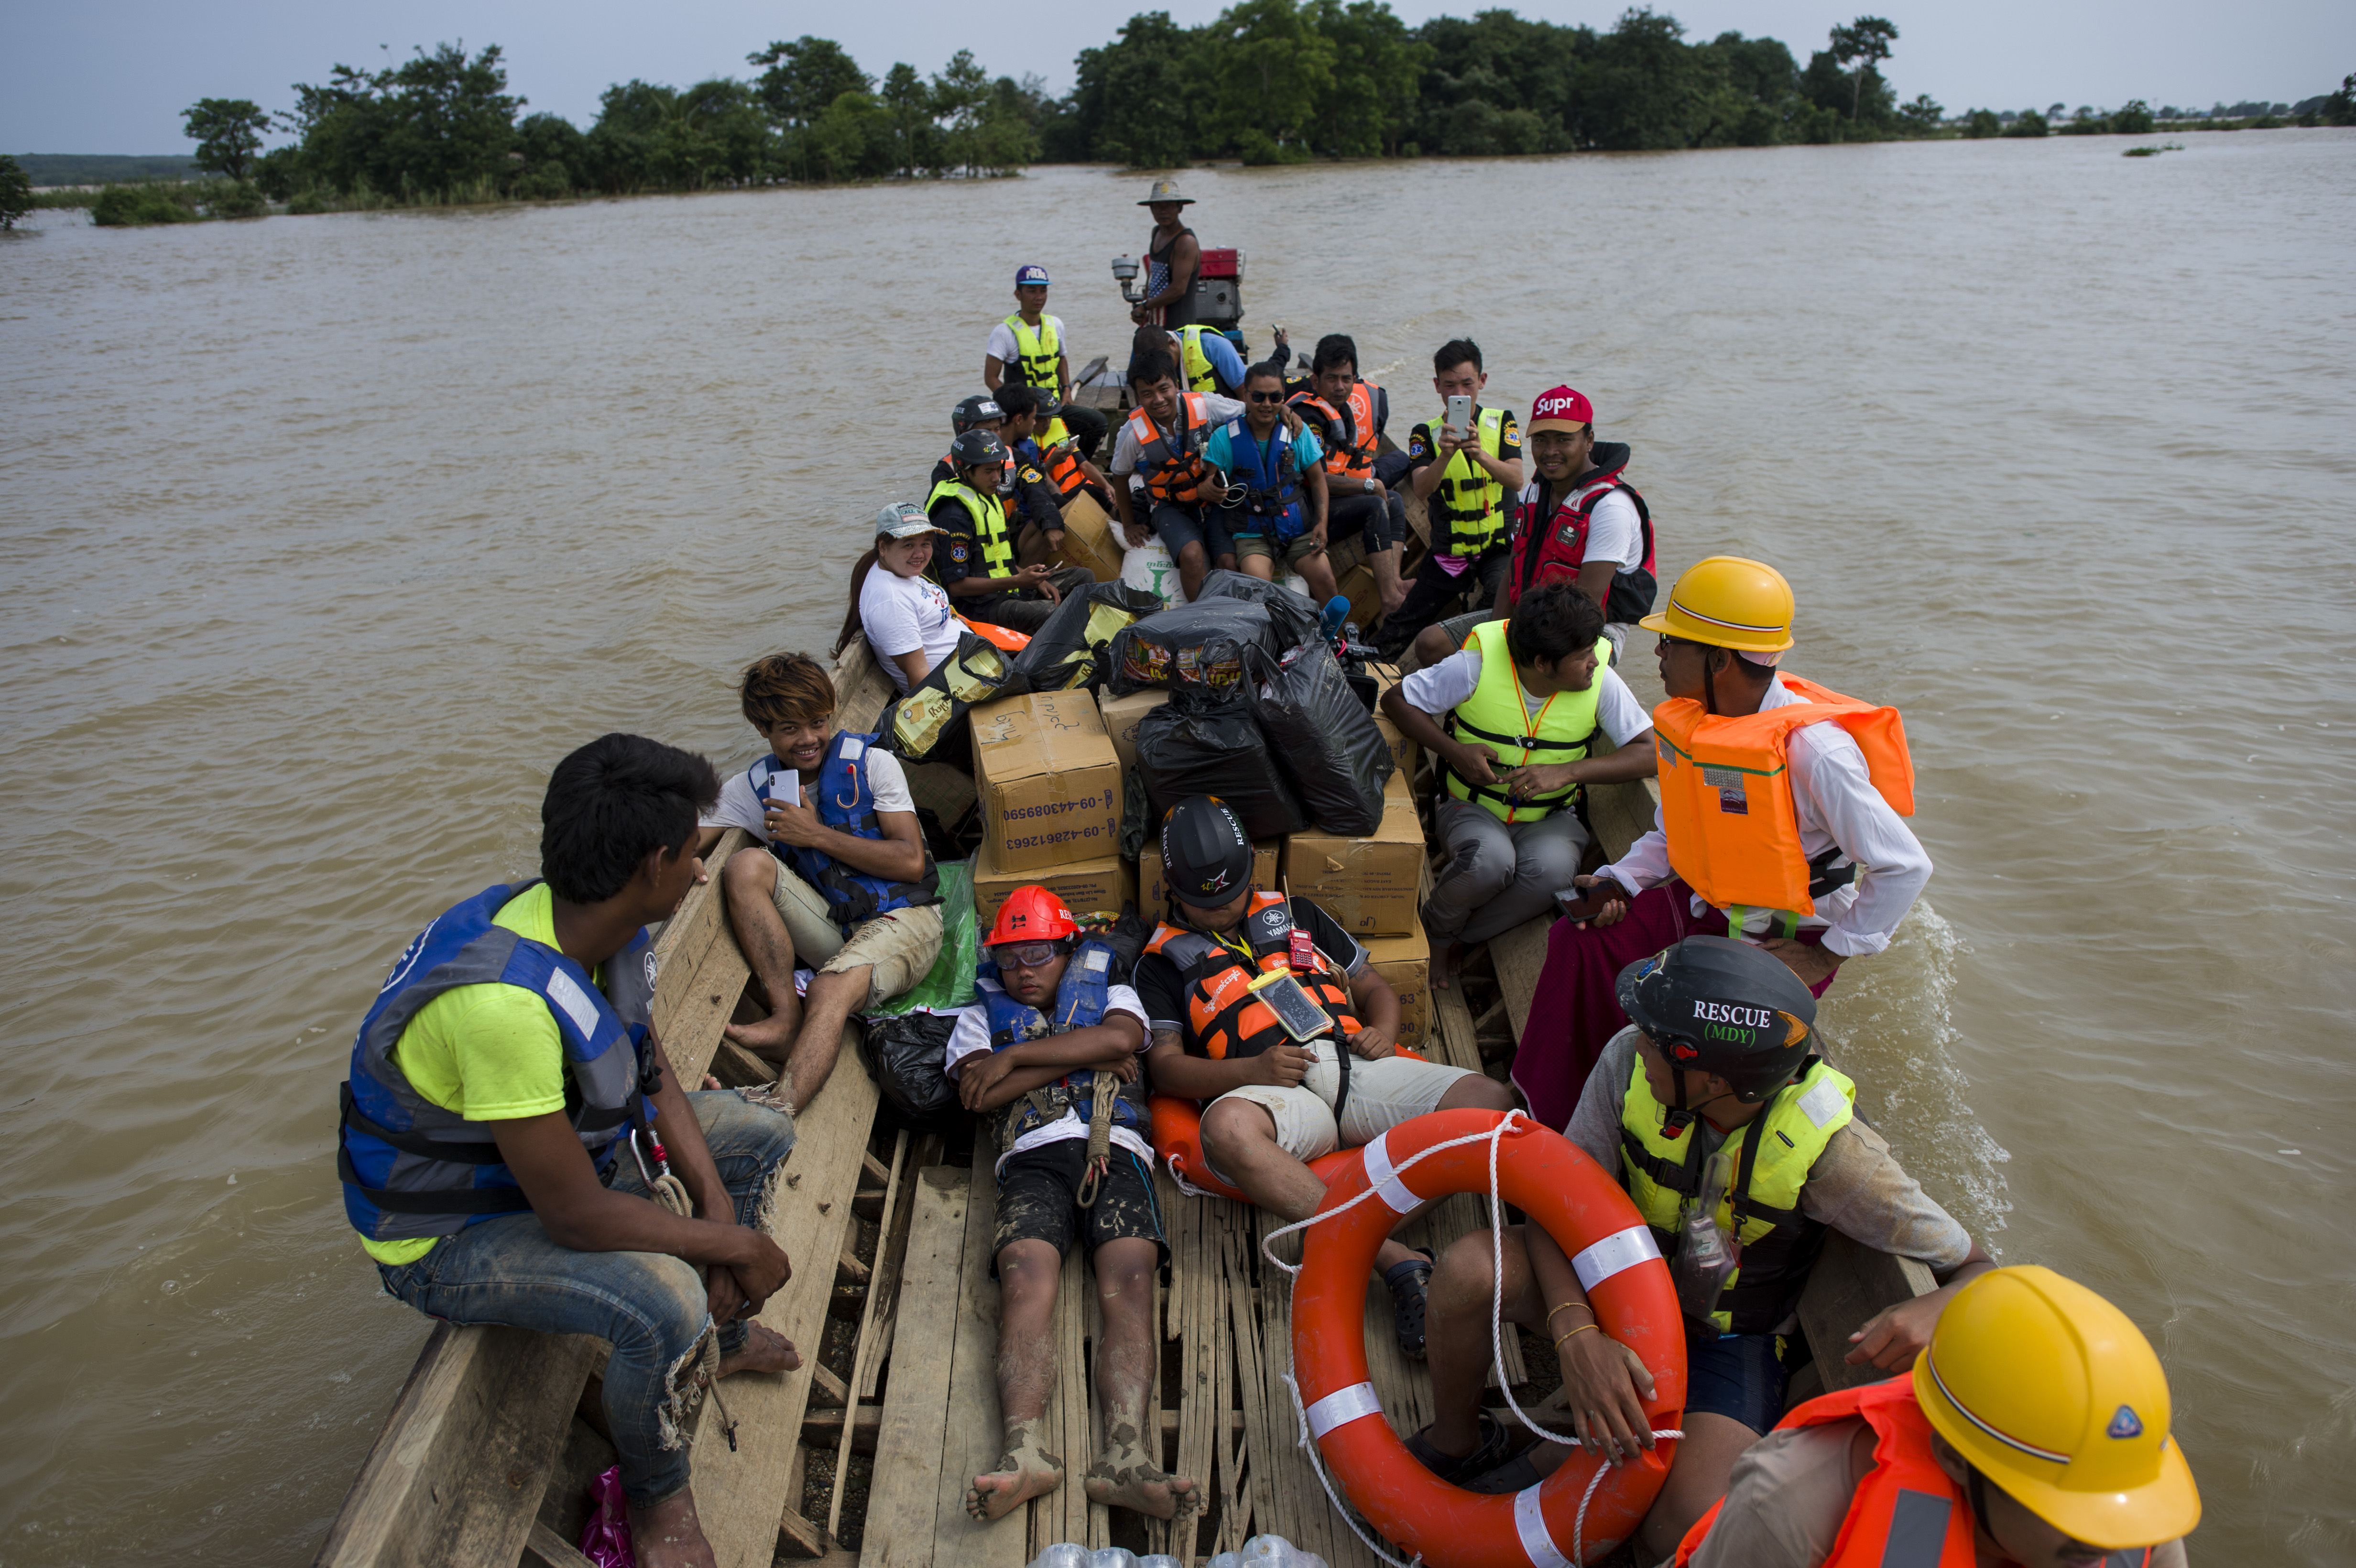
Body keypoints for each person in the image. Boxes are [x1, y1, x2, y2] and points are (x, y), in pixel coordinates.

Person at [338, 733, 798, 1568]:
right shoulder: (502, 1009)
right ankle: (658, 1494)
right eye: (694, 854)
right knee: (664, 1305)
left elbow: (646, 1066)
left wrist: (720, 1205)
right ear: (651, 864)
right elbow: (575, 1217)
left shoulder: (594, 918)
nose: (703, 872)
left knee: (762, 1130)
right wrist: (732, 1245)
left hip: (547, 1166)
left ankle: (722, 1341)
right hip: (449, 1236)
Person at [1408, 936, 1993, 1562]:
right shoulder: (1628, 1066)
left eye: (1654, 1041)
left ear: (1713, 1079)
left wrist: (1947, 1302)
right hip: (1612, 1287)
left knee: (1685, 1524)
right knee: (1469, 1269)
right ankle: (1461, 1442)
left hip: (1727, 1341)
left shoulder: (1837, 1154)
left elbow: (1976, 1265)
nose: (1636, 1044)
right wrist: (1577, 1334)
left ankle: (1570, 1468)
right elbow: (1558, 1203)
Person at [1514, 556, 1932, 1127]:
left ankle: (1648, 1137)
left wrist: (1824, 953)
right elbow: (1672, 831)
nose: (1657, 655)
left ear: (1717, 659)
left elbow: (1904, 866)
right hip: (1703, 902)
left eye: (1671, 645)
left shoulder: (1815, 752)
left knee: (1685, 1033)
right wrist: (1618, 880)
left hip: (1777, 940)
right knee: (1577, 938)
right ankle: (1552, 1109)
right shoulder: (1698, 721)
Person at [1134, 796, 1519, 1358]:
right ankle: (1392, 1258)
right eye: (1205, 905)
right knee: (1227, 1130)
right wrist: (1250, 1070)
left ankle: (1348, 1235)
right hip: (1273, 1094)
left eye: (1235, 894)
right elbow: (1164, 1067)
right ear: (1175, 892)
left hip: (1356, 1069)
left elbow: (1374, 988)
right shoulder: (1159, 964)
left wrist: (1383, 1031)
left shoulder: (1300, 914)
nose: (1223, 910)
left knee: (1489, 1100)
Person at [951, 888, 1200, 1525]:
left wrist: (1018, 1056)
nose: (1023, 970)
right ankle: (1023, 1450)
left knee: (1131, 1284)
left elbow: (1124, 1036)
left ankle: (1127, 1453)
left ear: (1068, 950)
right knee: (1025, 1282)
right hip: (1031, 1159)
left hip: (1113, 1150)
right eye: (1009, 959)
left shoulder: (1111, 987)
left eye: (1037, 953)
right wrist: (1081, 1053)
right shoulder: (979, 1015)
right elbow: (980, 1093)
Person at [1674, 1265, 2198, 1568]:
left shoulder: (2138, 1525)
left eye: (2110, 1505)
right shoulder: (1795, 1501)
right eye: (2067, 1506)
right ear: (1953, 1456)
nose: (2107, 1537)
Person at [1379, 585, 1657, 988]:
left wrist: (1568, 773)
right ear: (1543, 663)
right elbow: (1396, 701)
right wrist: (1455, 752)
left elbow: (1650, 753)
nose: (1595, 663)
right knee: (1490, 862)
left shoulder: (1601, 680)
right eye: (1583, 658)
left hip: (1551, 817)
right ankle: (1437, 934)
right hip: (1471, 807)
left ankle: (1462, 936)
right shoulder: (1474, 666)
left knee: (1552, 874)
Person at [699, 654, 942, 1111]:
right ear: (763, 730)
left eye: (817, 723)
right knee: (745, 865)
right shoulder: (752, 789)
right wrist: (687, 865)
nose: (808, 739)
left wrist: (815, 835)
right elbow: (691, 841)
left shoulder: (873, 765)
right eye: (790, 729)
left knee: (827, 989)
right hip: (841, 931)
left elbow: (911, 862)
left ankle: (780, 1110)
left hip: (907, 922)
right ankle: (786, 1017)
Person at [1407, 383, 1658, 671]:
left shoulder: (1611, 507)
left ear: (1589, 440)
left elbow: (1586, 607)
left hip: (1588, 634)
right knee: (1430, 644)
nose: (1550, 452)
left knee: (1525, 673)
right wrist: (1492, 640)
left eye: (1563, 440)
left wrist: (1516, 657)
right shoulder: (1534, 492)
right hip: (1532, 615)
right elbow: (1514, 569)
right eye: (1540, 440)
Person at [1382, 339, 1524, 656]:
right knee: (1401, 625)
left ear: (1482, 381)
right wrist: (1445, 455)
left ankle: (1471, 659)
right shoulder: (1425, 434)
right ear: (1437, 386)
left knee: (1503, 603)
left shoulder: (1503, 423)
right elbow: (1421, 490)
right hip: (1450, 553)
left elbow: (1516, 478)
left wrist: (1480, 454)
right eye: (1450, 385)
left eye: (1467, 384)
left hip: (1497, 549)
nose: (1460, 394)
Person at [1108, 349, 1244, 604]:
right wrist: (1128, 524)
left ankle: (1232, 618)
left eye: (1164, 389)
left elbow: (1248, 412)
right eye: (1147, 395)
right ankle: (1199, 620)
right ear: (1137, 397)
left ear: (1177, 385)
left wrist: (1284, 411)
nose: (1158, 400)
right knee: (1192, 555)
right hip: (1169, 506)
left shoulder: (1205, 404)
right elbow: (1119, 474)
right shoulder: (1131, 432)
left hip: (1212, 501)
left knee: (1229, 560)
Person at [928, 428, 1091, 634]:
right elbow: (957, 587)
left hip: (1007, 590)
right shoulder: (954, 515)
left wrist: (1034, 580)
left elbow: (995, 560)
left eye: (999, 469)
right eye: (988, 471)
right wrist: (1018, 580)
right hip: (978, 607)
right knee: (1053, 613)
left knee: (1083, 577)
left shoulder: (986, 496)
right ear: (966, 471)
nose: (997, 478)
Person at [1289, 333, 1408, 616]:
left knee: (1395, 500)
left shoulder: (1340, 411)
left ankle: (1394, 581)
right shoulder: (1311, 418)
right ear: (1316, 381)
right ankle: (1390, 598)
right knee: (1375, 504)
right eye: (1332, 379)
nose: (1340, 387)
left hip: (1330, 501)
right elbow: (1313, 479)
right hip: (1305, 511)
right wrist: (1368, 485)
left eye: (1347, 378)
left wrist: (1369, 484)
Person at [1204, 359, 1339, 602]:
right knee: (1257, 592)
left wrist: (1322, 523)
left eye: (1275, 397)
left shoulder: (1298, 433)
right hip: (1252, 535)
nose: (1267, 405)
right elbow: (1208, 483)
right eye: (1258, 397)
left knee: (1326, 579)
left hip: (1299, 531)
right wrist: (1208, 490)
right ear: (1246, 395)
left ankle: (1337, 639)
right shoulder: (1224, 438)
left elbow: (1319, 481)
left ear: (1283, 398)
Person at [982, 262, 1108, 461]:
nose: (1039, 297)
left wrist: (1067, 389)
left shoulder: (1055, 324)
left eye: (1043, 290)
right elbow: (990, 378)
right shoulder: (1004, 333)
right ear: (1018, 295)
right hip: (1025, 416)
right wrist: (1017, 408)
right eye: (1032, 291)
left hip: (1055, 406)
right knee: (1027, 455)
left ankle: (1073, 463)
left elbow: (1061, 359)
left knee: (1097, 423)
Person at [931, 395, 1067, 568]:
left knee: (1055, 518)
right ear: (965, 433)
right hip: (974, 543)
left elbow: (1036, 490)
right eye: (988, 431)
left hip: (1008, 535)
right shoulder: (946, 469)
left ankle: (1025, 582)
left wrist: (1051, 524)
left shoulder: (1016, 457)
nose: (995, 437)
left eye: (997, 429)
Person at [843, 502, 961, 696]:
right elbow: (920, 678)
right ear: (883, 547)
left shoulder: (901, 570)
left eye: (926, 543)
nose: (919, 554)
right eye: (908, 544)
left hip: (970, 668)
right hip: (957, 692)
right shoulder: (892, 601)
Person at [996, 383, 1113, 514]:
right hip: (1026, 515)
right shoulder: (1003, 453)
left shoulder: (1028, 444)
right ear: (1019, 420)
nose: (1045, 424)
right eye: (1036, 418)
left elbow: (1048, 483)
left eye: (1050, 418)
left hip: (1049, 502)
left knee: (1094, 492)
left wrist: (1062, 504)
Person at [1129, 177, 1200, 329]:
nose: (1163, 211)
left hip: (1177, 326)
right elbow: (1153, 275)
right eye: (1158, 206)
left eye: (1169, 206)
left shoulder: (1185, 242)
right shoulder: (1157, 233)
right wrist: (1144, 304)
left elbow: (1178, 289)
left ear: (1180, 208)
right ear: (1151, 209)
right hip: (1154, 321)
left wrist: (1145, 306)